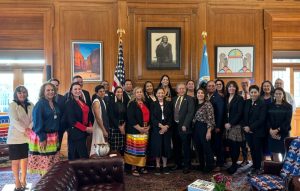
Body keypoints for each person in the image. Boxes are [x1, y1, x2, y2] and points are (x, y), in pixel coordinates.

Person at [28, 83, 60, 175]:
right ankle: (44, 185)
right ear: (43, 92)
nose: (51, 92)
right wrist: (42, 138)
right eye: (48, 90)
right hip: (43, 136)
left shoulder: (55, 104)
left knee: (51, 163)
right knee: (44, 164)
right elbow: (37, 122)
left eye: (52, 90)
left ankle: (50, 183)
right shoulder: (40, 104)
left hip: (53, 136)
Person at [7, 86, 34, 191]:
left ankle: (23, 179)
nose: (22, 95)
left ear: (26, 93)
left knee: (25, 160)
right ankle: (17, 180)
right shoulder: (12, 105)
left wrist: (29, 128)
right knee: (15, 161)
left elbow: (34, 118)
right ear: (16, 94)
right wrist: (25, 130)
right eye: (19, 93)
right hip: (15, 137)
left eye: (24, 92)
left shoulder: (31, 104)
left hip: (27, 137)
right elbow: (14, 120)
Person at [240, 85, 266, 175]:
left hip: (258, 132)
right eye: (252, 92)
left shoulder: (262, 103)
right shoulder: (246, 102)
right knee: (252, 149)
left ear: (258, 93)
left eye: (255, 92)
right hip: (247, 132)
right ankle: (255, 165)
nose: (253, 94)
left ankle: (258, 168)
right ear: (249, 93)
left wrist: (250, 128)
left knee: (257, 150)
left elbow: (261, 119)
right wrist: (245, 127)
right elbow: (242, 116)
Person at [124, 87, 150, 176]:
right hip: (134, 130)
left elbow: (149, 115)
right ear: (134, 94)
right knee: (134, 150)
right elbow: (131, 118)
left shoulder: (145, 103)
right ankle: (133, 168)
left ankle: (141, 166)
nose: (139, 93)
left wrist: (148, 127)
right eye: (137, 92)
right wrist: (140, 129)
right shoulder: (131, 104)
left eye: (140, 92)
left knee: (142, 150)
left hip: (145, 129)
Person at [64, 82, 93, 160]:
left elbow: (88, 114)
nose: (77, 91)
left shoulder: (82, 101)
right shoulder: (69, 103)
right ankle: (76, 172)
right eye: (75, 89)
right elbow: (72, 121)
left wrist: (90, 125)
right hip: (75, 133)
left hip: (83, 132)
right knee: (79, 156)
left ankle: (82, 172)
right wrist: (86, 129)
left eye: (79, 89)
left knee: (82, 155)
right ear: (71, 91)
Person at [171, 83, 195, 174]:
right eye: (179, 88)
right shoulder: (174, 99)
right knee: (176, 147)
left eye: (183, 88)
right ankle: (178, 164)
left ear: (185, 89)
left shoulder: (190, 99)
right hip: (175, 127)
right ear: (177, 90)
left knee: (186, 147)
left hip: (185, 127)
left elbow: (190, 113)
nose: (181, 90)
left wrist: (185, 124)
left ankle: (186, 165)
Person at [150, 88, 172, 175]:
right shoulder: (153, 104)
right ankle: (158, 166)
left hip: (167, 128)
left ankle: (165, 166)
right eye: (159, 93)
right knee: (158, 147)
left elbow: (171, 116)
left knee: (165, 147)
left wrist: (166, 126)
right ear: (156, 94)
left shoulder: (168, 104)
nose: (160, 95)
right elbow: (152, 117)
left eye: (162, 93)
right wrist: (160, 126)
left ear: (164, 94)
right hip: (157, 128)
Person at [192, 88, 215, 173]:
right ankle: (201, 165)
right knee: (198, 148)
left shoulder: (208, 104)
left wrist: (209, 131)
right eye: (198, 93)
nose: (200, 94)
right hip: (195, 127)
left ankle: (209, 166)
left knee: (206, 147)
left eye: (202, 93)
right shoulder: (195, 103)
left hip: (204, 127)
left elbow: (211, 119)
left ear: (204, 95)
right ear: (196, 94)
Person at [267, 87, 293, 162]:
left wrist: (277, 130)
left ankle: (284, 169)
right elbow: (267, 119)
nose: (278, 95)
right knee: (274, 152)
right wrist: (271, 130)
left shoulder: (288, 106)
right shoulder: (270, 106)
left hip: (283, 132)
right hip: (271, 132)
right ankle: (277, 169)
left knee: (284, 152)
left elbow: (287, 121)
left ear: (283, 95)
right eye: (276, 94)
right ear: (274, 95)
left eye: (280, 94)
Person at [224, 81, 244, 174]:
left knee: (235, 146)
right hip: (226, 126)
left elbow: (239, 113)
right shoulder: (226, 98)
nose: (231, 88)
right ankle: (232, 163)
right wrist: (225, 123)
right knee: (229, 146)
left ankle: (234, 164)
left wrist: (231, 124)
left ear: (236, 88)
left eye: (233, 86)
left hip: (235, 126)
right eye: (229, 86)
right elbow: (224, 112)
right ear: (227, 88)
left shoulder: (239, 98)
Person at [206, 80, 225, 171]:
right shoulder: (208, 96)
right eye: (209, 86)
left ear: (215, 87)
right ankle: (213, 163)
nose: (211, 87)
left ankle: (220, 164)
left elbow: (221, 113)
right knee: (212, 145)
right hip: (209, 125)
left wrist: (218, 126)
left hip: (216, 126)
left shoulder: (218, 97)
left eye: (213, 86)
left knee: (218, 145)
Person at [90, 85, 110, 156]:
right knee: (98, 148)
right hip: (99, 126)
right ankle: (95, 165)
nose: (102, 93)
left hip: (102, 126)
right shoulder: (96, 101)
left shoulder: (102, 100)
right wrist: (104, 130)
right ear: (96, 93)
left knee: (103, 148)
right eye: (100, 91)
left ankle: (102, 164)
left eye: (103, 91)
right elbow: (98, 118)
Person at [108, 86, 126, 154]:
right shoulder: (111, 102)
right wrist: (119, 127)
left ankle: (120, 163)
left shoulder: (124, 102)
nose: (120, 93)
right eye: (118, 92)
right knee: (114, 148)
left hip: (123, 126)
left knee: (121, 147)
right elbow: (111, 116)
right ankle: (114, 163)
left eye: (121, 92)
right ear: (115, 93)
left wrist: (123, 126)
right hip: (114, 126)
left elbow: (125, 115)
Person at [49, 78, 66, 151]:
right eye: (53, 85)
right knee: (49, 148)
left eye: (56, 85)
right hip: (48, 128)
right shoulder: (45, 99)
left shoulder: (63, 98)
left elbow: (65, 112)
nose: (55, 87)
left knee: (57, 147)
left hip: (60, 127)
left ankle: (57, 160)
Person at [238, 78, 251, 167]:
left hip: (251, 123)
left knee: (251, 142)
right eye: (242, 83)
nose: (244, 84)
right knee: (242, 142)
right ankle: (245, 159)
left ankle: (255, 161)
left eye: (246, 83)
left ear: (249, 84)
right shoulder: (238, 94)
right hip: (241, 122)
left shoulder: (254, 93)